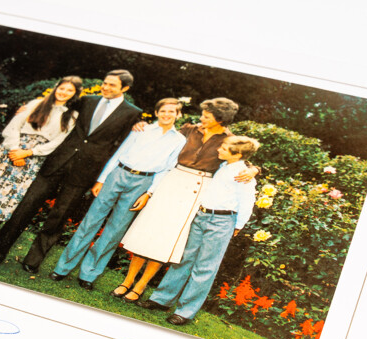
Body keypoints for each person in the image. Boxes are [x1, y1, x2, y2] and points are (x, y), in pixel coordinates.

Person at [0, 70, 143, 273]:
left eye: (112, 85)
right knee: (26, 206)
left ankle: (32, 261)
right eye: (105, 83)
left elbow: (122, 144)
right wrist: (27, 109)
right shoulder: (86, 100)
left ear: (125, 89)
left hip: (85, 171)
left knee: (58, 217)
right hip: (57, 161)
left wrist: (140, 125)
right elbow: (56, 106)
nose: (105, 87)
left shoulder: (132, 113)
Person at [110, 98, 258, 302]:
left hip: (197, 191)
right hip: (171, 182)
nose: (201, 118)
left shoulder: (228, 139)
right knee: (148, 231)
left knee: (167, 239)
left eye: (206, 116)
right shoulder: (188, 129)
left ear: (220, 119)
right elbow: (164, 142)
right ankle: (127, 281)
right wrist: (142, 126)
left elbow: (243, 160)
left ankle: (141, 286)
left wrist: (254, 169)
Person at [48, 98, 186, 290]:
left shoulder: (179, 140)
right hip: (119, 174)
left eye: (172, 112)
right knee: (91, 222)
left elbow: (166, 169)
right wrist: (102, 180)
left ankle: (89, 274)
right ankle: (62, 268)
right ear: (156, 113)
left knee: (115, 230)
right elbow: (119, 153)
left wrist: (149, 193)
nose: (167, 114)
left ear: (178, 115)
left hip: (143, 182)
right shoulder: (141, 129)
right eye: (163, 111)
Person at [137, 136, 260, 325]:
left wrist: (238, 226)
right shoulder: (222, 166)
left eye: (225, 148)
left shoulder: (243, 175)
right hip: (201, 216)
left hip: (222, 221)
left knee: (205, 266)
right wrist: (255, 168)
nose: (220, 149)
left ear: (238, 154)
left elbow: (247, 202)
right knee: (184, 259)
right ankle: (161, 300)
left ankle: (185, 311)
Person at [0, 76, 82, 258]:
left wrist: (28, 153)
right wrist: (15, 150)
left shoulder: (71, 116)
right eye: (62, 88)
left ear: (74, 94)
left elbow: (56, 142)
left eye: (69, 90)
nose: (64, 93)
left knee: (4, 203)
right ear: (56, 88)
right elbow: (13, 127)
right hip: (8, 154)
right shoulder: (36, 104)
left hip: (31, 160)